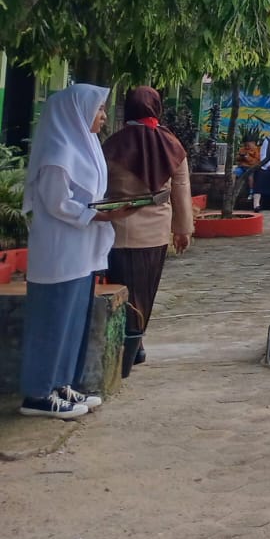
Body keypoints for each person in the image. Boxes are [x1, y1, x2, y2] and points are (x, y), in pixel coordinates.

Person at [19, 85, 129, 419]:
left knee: (72, 322)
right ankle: (38, 394)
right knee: (52, 320)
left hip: (80, 250)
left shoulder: (86, 145)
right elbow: (56, 202)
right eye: (99, 110)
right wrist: (98, 214)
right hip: (59, 252)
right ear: (77, 112)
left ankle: (61, 382)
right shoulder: (58, 151)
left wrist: (106, 209)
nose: (103, 117)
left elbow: (87, 194)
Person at [101, 87, 194, 375]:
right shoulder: (171, 144)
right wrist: (183, 230)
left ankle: (125, 342)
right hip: (155, 232)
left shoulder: (111, 145)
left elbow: (98, 188)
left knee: (121, 286)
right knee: (146, 289)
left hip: (116, 229)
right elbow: (181, 190)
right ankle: (136, 342)